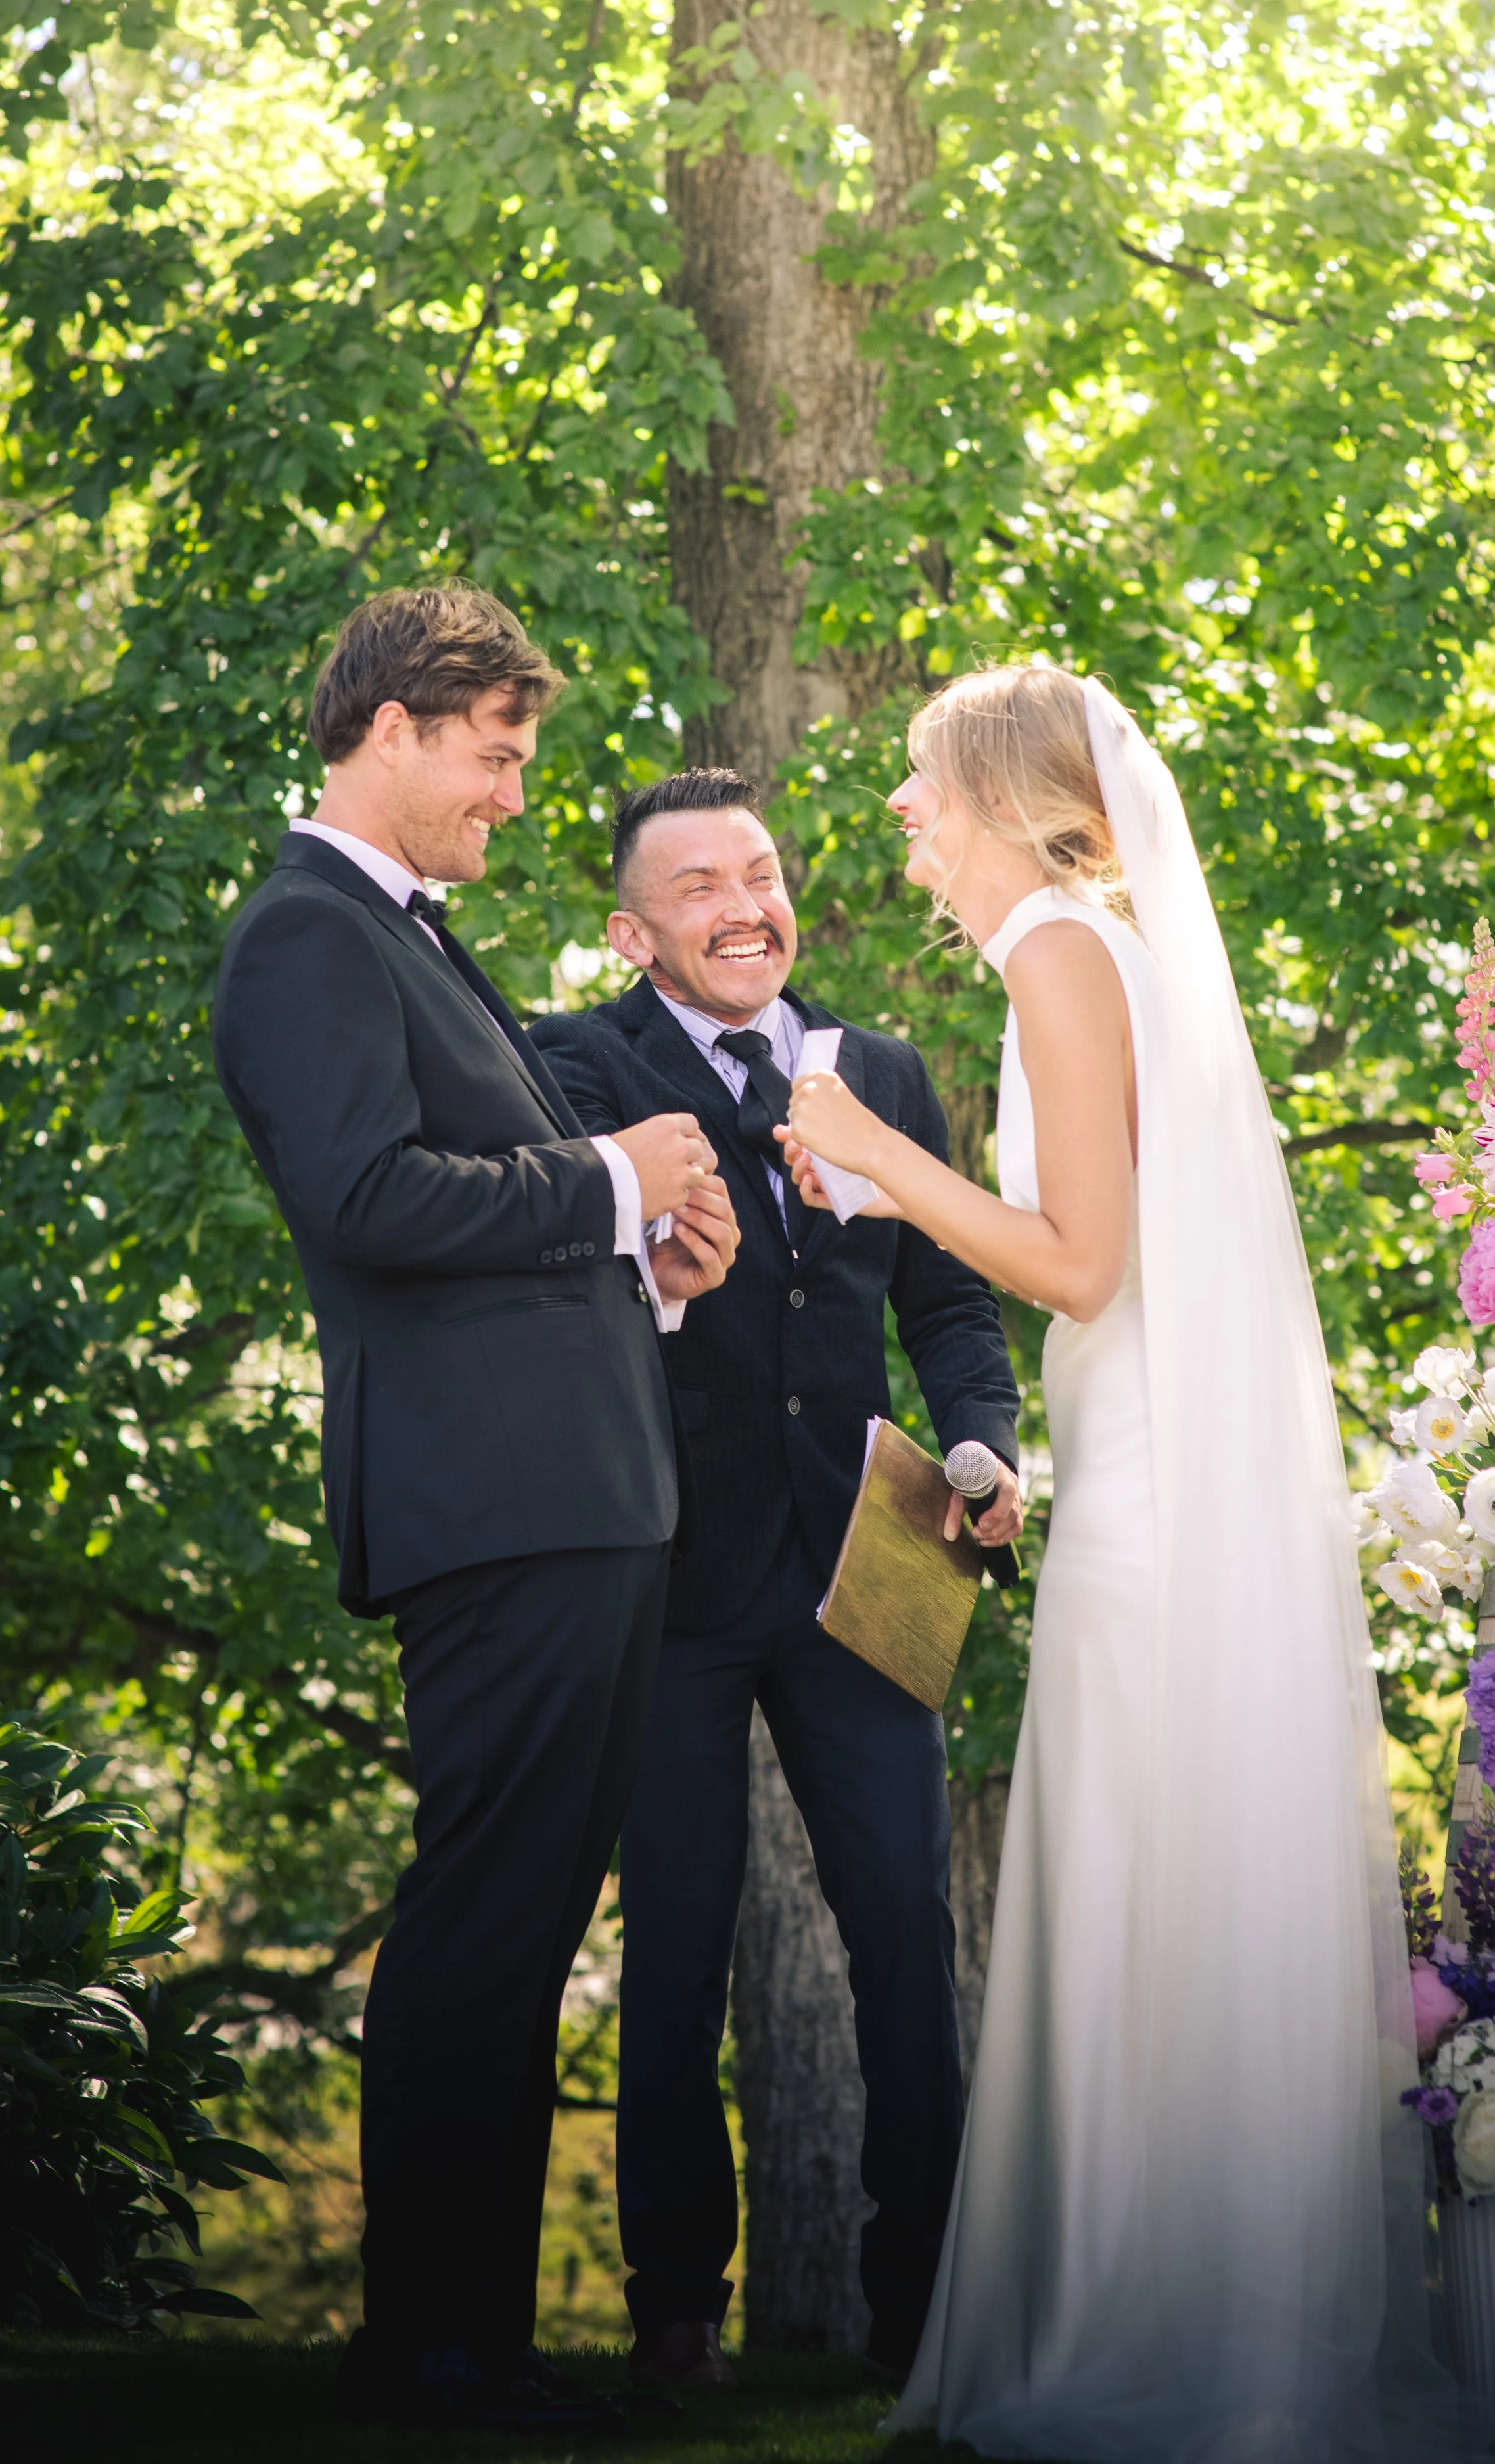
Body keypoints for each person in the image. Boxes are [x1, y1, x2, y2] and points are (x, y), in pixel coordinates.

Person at [781, 665, 1446, 2462]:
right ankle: (1173, 2313)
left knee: (1141, 1862)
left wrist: (877, 1157)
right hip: (1141, 1451)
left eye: (927, 783)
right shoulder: (1093, 951)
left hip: (1147, 1489)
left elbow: (1078, 1264)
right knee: (1151, 1867)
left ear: (1006, 796)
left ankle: (1155, 2333)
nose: (906, 814)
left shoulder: (1064, 954)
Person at [211, 586, 739, 2436]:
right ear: (395, 726)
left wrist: (656, 1255)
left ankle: (482, 2339)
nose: (513, 796)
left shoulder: (412, 940)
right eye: (497, 756)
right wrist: (605, 1173)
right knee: (481, 1918)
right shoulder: (303, 936)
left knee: (525, 1924)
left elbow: (501, 1211)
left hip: (578, 1495)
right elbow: (367, 1196)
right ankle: (426, 2344)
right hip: (495, 1507)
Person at [532, 768, 1024, 2389]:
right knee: (672, 1948)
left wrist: (983, 1445)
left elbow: (951, 1309)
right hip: (664, 1571)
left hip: (867, 1562)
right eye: (699, 888)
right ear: (632, 929)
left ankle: (918, 2309)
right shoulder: (565, 1070)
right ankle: (675, 2312)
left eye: (760, 871)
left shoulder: (873, 1071)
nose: (745, 905)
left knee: (902, 1932)